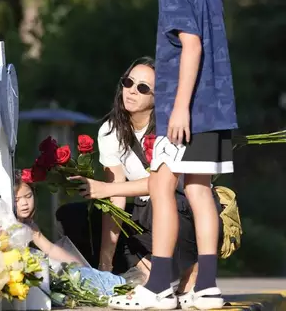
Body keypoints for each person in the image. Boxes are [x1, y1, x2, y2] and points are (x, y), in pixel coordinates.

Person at [108, 0, 239, 310]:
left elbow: (191, 46)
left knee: (160, 186)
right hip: (215, 109)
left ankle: (159, 286)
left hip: (185, 111)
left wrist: (179, 106)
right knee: (199, 191)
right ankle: (208, 287)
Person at [58, 57, 203, 307]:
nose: (132, 91)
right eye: (128, 82)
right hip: (142, 216)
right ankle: (145, 274)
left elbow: (162, 184)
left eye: (143, 88)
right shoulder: (110, 131)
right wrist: (104, 267)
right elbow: (115, 200)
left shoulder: (172, 128)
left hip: (183, 214)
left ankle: (187, 277)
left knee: (169, 203)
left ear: (157, 98)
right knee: (76, 215)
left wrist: (106, 188)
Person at [13, 170, 84, 265]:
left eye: (28, 196)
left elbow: (50, 249)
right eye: (17, 200)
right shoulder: (4, 227)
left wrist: (81, 267)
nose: (24, 203)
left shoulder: (30, 226)